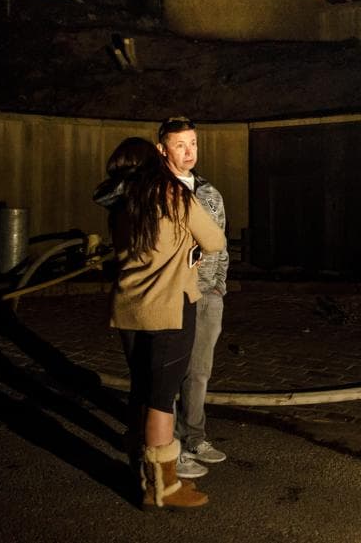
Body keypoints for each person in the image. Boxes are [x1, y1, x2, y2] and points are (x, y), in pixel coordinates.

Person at [93, 137, 225, 509]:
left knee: (141, 389)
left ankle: (140, 470)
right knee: (161, 399)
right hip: (169, 310)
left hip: (129, 309)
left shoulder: (120, 203)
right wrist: (191, 250)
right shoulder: (175, 197)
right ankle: (163, 487)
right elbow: (214, 240)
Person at [157, 116, 229, 479]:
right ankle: (168, 445)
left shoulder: (209, 193)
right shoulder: (157, 191)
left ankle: (194, 437)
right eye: (180, 145)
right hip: (173, 296)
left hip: (207, 296)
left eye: (193, 144)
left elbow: (221, 243)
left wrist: (218, 287)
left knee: (199, 372)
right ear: (162, 149)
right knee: (169, 374)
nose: (189, 152)